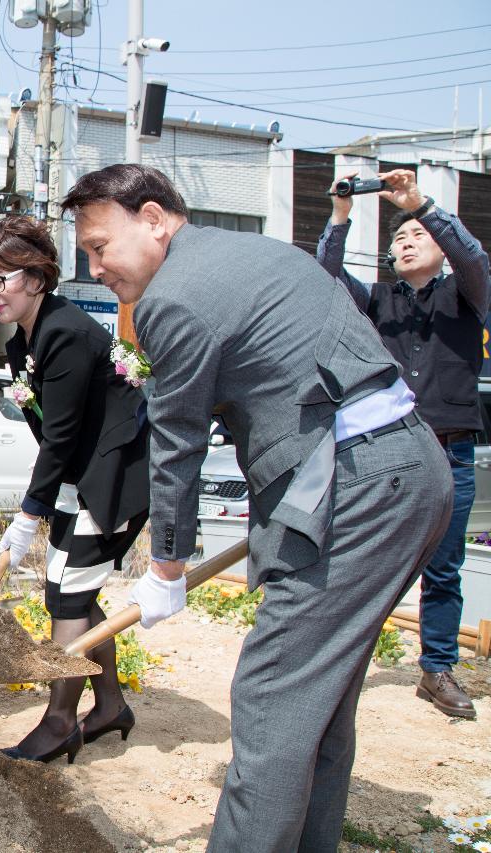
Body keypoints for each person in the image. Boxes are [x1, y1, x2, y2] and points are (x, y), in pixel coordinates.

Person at [62, 164, 451, 853]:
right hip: (408, 471)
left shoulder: (173, 298)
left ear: (154, 219)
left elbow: (176, 445)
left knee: (272, 697)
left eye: (99, 247)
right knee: (316, 703)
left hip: (353, 488)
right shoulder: (264, 253)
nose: (95, 269)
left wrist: (167, 567)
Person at [0, 216, 150, 765]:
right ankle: (110, 705)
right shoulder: (22, 345)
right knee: (70, 593)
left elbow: (63, 438)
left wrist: (28, 516)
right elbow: (49, 433)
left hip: (114, 478)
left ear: (37, 276)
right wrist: (48, 501)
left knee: (67, 597)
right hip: (80, 480)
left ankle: (58, 722)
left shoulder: (65, 333)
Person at [317, 170, 489, 720]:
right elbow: (325, 278)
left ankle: (436, 668)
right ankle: (345, 660)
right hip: (383, 450)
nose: (406, 242)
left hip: (450, 448)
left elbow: (474, 260)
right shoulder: (377, 300)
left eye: (417, 234)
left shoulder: (467, 296)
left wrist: (423, 206)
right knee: (365, 559)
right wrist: (341, 217)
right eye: (398, 237)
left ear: (439, 245)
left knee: (444, 566)